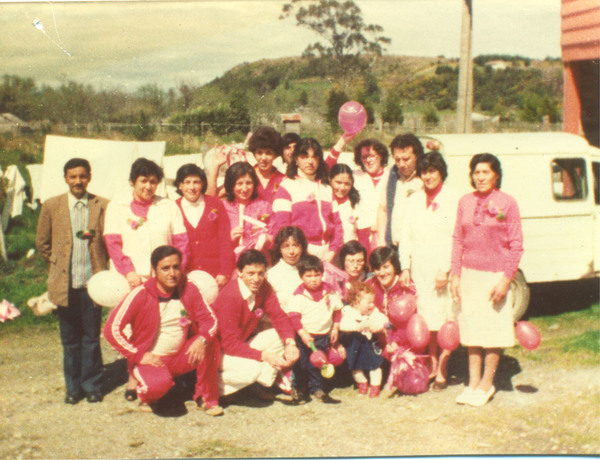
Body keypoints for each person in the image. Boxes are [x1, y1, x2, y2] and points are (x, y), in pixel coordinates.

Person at [104, 157, 189, 399]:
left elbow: (181, 241)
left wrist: (176, 271)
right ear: (132, 181)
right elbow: (113, 242)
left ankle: (163, 376)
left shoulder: (168, 206)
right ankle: (134, 377)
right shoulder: (117, 206)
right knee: (135, 329)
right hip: (132, 277)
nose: (148, 187)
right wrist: (128, 271)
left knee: (162, 327)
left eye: (153, 182)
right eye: (143, 181)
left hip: (163, 279)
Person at [103, 246, 223, 415]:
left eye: (176, 267)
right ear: (154, 271)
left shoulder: (189, 288)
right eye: (165, 268)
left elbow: (209, 320)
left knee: (210, 342)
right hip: (152, 359)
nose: (172, 273)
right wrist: (138, 355)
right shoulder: (141, 294)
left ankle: (206, 398)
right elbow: (111, 329)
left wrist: (202, 339)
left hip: (181, 356)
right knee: (158, 387)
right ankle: (148, 394)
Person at [450, 153, 524, 407]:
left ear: (496, 174)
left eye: (485, 172)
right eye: (476, 172)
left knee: (493, 332)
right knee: (472, 330)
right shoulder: (464, 202)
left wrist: (505, 280)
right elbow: (458, 240)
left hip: (495, 277)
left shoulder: (508, 203)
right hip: (470, 275)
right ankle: (472, 383)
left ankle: (486, 383)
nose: (480, 177)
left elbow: (516, 245)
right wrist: (455, 274)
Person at [36, 158, 109, 404]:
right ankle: (73, 387)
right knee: (70, 340)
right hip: (64, 285)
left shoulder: (101, 205)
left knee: (90, 337)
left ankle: (92, 385)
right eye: (73, 176)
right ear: (65, 178)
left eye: (82, 176)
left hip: (92, 285)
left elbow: (108, 241)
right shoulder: (52, 205)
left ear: (89, 177)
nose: (78, 181)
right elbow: (42, 244)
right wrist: (58, 264)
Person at [399, 151, 460, 390]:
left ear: (441, 171)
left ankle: (444, 366)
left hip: (443, 269)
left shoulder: (454, 198)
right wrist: (405, 267)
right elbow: (406, 236)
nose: (428, 176)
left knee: (447, 319)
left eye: (432, 171)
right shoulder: (414, 199)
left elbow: (457, 237)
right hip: (420, 269)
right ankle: (432, 364)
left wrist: (446, 269)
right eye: (424, 171)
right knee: (427, 320)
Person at [214, 249, 300, 399]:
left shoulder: (263, 286)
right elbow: (229, 344)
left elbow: (279, 316)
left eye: (260, 273)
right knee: (252, 370)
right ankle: (215, 389)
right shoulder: (230, 296)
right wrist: (263, 356)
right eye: (251, 273)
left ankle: (256, 384)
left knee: (280, 336)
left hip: (241, 343)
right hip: (220, 352)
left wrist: (291, 343)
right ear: (239, 272)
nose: (256, 278)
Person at [272, 137, 343, 262]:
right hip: (301, 254)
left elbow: (338, 224)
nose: (310, 161)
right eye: (304, 157)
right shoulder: (286, 186)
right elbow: (282, 228)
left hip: (328, 254)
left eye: (314, 156)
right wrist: (301, 252)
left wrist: (332, 251)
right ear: (296, 159)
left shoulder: (326, 187)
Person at [287, 255, 344, 404]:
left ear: (322, 274)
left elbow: (338, 310)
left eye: (317, 275)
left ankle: (317, 388)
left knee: (318, 362)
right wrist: (302, 334)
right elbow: (294, 317)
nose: (313, 279)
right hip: (304, 335)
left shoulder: (329, 292)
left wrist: (335, 327)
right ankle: (299, 389)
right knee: (301, 363)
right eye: (309, 276)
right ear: (301, 277)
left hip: (322, 335)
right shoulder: (299, 295)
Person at [173, 164, 234, 289]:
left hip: (215, 274)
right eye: (187, 182)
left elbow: (225, 240)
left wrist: (224, 272)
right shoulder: (172, 208)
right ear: (180, 185)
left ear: (202, 184)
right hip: (185, 274)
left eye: (196, 182)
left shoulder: (215, 204)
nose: (192, 187)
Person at [327, 136, 391, 253]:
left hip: (385, 236)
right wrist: (343, 140)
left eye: (372, 155)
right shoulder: (355, 176)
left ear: (381, 156)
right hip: (362, 237)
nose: (368, 160)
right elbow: (328, 168)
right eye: (364, 157)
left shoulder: (391, 176)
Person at [339, 281, 388, 397]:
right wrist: (356, 327)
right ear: (355, 303)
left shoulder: (373, 313)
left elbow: (384, 320)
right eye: (369, 302)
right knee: (355, 367)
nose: (372, 305)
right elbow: (342, 325)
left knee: (375, 365)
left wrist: (377, 327)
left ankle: (375, 386)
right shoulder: (349, 313)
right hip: (355, 345)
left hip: (370, 344)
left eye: (373, 302)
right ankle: (362, 383)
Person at [377, 134, 425, 247]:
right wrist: (382, 241)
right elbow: (382, 210)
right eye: (397, 160)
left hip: (416, 247)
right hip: (393, 247)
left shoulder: (424, 178)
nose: (401, 164)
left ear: (417, 156)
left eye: (406, 159)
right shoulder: (390, 176)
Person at [221, 162, 273, 260]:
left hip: (259, 261)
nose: (244, 189)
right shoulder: (222, 207)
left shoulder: (264, 206)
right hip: (232, 262)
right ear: (231, 185)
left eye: (249, 183)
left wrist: (265, 239)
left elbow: (274, 236)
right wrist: (229, 239)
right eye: (239, 184)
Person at [267, 226, 308, 312]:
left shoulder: (310, 270)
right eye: (286, 246)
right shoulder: (271, 274)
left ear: (302, 247)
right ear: (280, 249)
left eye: (295, 245)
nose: (291, 251)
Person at [329, 163, 366, 246]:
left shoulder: (355, 203)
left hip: (350, 253)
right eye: (338, 183)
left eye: (347, 184)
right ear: (330, 180)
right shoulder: (325, 202)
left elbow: (362, 233)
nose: (342, 188)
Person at [248, 126, 286, 203]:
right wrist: (216, 166)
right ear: (254, 154)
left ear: (275, 155)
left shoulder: (283, 180)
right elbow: (217, 194)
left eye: (268, 153)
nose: (263, 158)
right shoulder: (246, 175)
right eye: (259, 152)